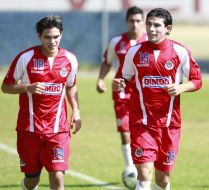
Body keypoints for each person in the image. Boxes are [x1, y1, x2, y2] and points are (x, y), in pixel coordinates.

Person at [112, 8, 202, 190]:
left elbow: (197, 80)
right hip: (142, 123)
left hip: (170, 125)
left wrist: (180, 87)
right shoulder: (134, 52)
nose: (151, 29)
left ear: (168, 28)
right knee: (144, 175)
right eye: (149, 25)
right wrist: (118, 84)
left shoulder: (180, 51)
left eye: (157, 25)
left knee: (163, 179)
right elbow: (122, 77)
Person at [1, 15, 81, 190]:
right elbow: (6, 87)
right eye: (48, 37)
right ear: (39, 36)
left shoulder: (70, 60)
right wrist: (27, 87)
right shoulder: (25, 58)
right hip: (29, 130)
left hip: (57, 130)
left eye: (56, 37)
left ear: (61, 35)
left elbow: (71, 86)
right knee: (32, 180)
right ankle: (27, 185)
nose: (52, 41)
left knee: (58, 176)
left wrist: (76, 112)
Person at [96, 6, 147, 177]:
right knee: (125, 132)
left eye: (138, 21)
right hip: (122, 92)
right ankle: (131, 169)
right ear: (126, 22)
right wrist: (101, 79)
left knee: (145, 131)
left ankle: (145, 165)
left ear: (143, 22)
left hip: (145, 95)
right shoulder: (116, 42)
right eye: (132, 21)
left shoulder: (150, 42)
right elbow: (107, 62)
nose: (135, 24)